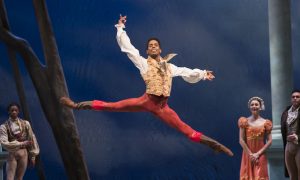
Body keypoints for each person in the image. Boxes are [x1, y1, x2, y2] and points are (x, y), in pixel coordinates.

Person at [60, 15, 233, 156]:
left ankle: (215, 146)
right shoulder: (143, 64)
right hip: (146, 101)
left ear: (160, 49)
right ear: (147, 51)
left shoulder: (169, 67)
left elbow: (186, 71)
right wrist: (120, 28)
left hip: (163, 107)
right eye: (150, 46)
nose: (153, 47)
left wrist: (203, 74)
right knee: (111, 106)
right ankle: (76, 105)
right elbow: (128, 49)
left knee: (186, 130)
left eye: (155, 45)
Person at [0, 103, 40, 180]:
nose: (14, 112)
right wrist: (20, 143)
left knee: (19, 178)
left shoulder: (26, 124)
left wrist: (32, 156)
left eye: (16, 110)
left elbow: (32, 138)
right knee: (10, 178)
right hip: (12, 153)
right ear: (9, 112)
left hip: (23, 153)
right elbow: (4, 142)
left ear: (18, 111)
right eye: (12, 110)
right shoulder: (4, 126)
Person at [238, 97, 272, 180]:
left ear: (260, 107)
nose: (254, 106)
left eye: (256, 104)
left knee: (260, 176)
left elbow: (270, 140)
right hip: (247, 153)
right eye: (252, 104)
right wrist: (251, 155)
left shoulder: (266, 122)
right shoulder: (244, 121)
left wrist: (258, 154)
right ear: (249, 107)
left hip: (260, 154)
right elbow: (241, 140)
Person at [281, 89, 300, 180]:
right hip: (288, 146)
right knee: (292, 176)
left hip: (299, 145)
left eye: (297, 97)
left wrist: (298, 137)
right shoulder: (285, 112)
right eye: (293, 97)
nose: (295, 98)